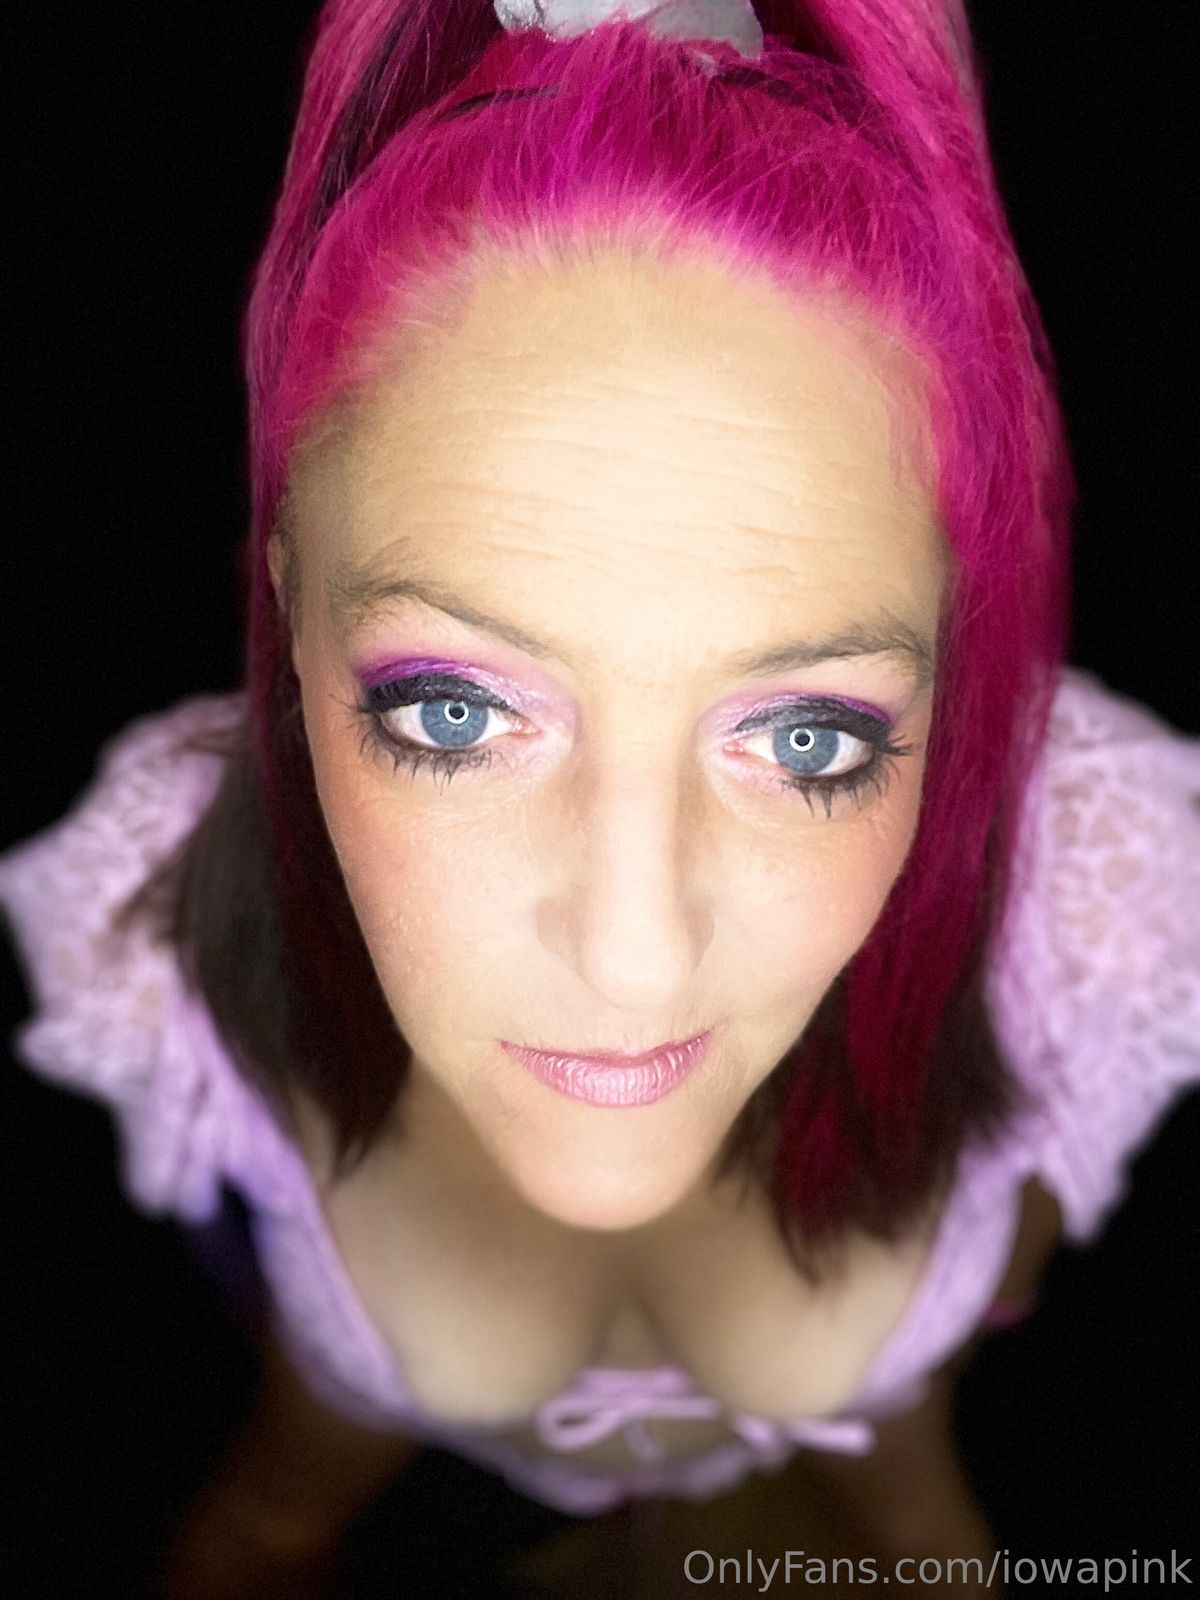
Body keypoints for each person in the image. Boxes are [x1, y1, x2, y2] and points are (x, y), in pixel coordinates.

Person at [1, 1, 1196, 1596]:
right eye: (455, 712)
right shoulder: (163, 930)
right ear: (288, 609)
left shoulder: (1088, 909)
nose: (633, 962)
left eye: (808, 741)